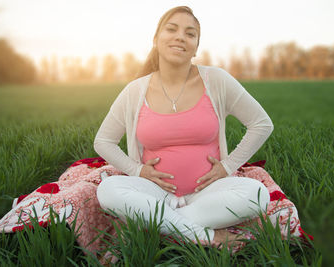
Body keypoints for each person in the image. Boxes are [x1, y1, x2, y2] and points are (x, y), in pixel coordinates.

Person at [94, 6, 273, 245]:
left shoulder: (216, 80)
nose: (180, 36)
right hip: (155, 194)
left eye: (190, 34)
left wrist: (228, 167)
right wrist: (137, 171)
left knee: (257, 194)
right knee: (108, 190)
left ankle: (162, 228)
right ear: (156, 39)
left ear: (196, 47)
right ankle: (205, 236)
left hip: (207, 194)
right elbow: (103, 141)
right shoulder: (135, 90)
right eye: (172, 29)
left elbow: (261, 124)